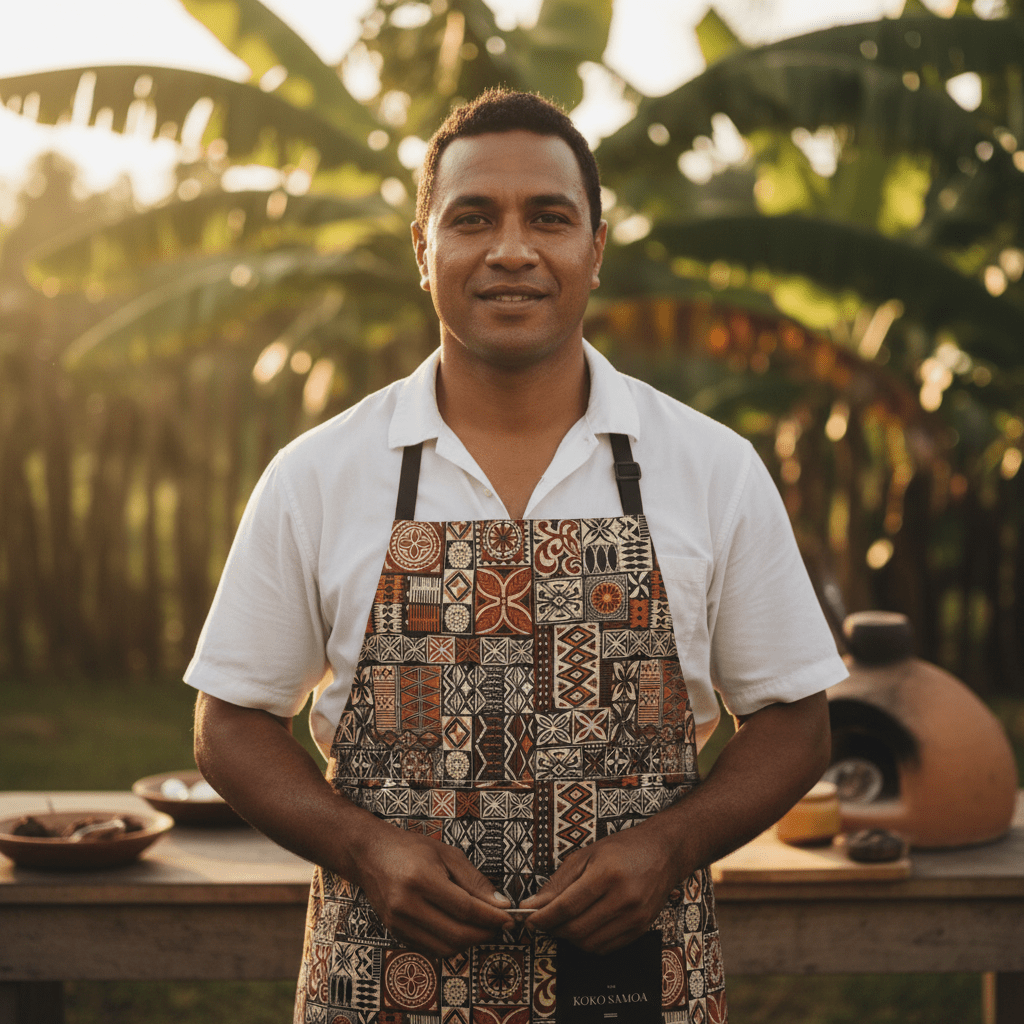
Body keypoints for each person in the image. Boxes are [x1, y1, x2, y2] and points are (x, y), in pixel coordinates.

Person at [187, 88, 848, 1024]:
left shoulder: (710, 469)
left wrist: (669, 845)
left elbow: (795, 718)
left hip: (633, 984)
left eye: (549, 217)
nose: (511, 249)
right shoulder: (318, 475)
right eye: (471, 218)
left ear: (594, 250)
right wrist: (364, 848)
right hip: (384, 983)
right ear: (424, 251)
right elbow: (231, 721)